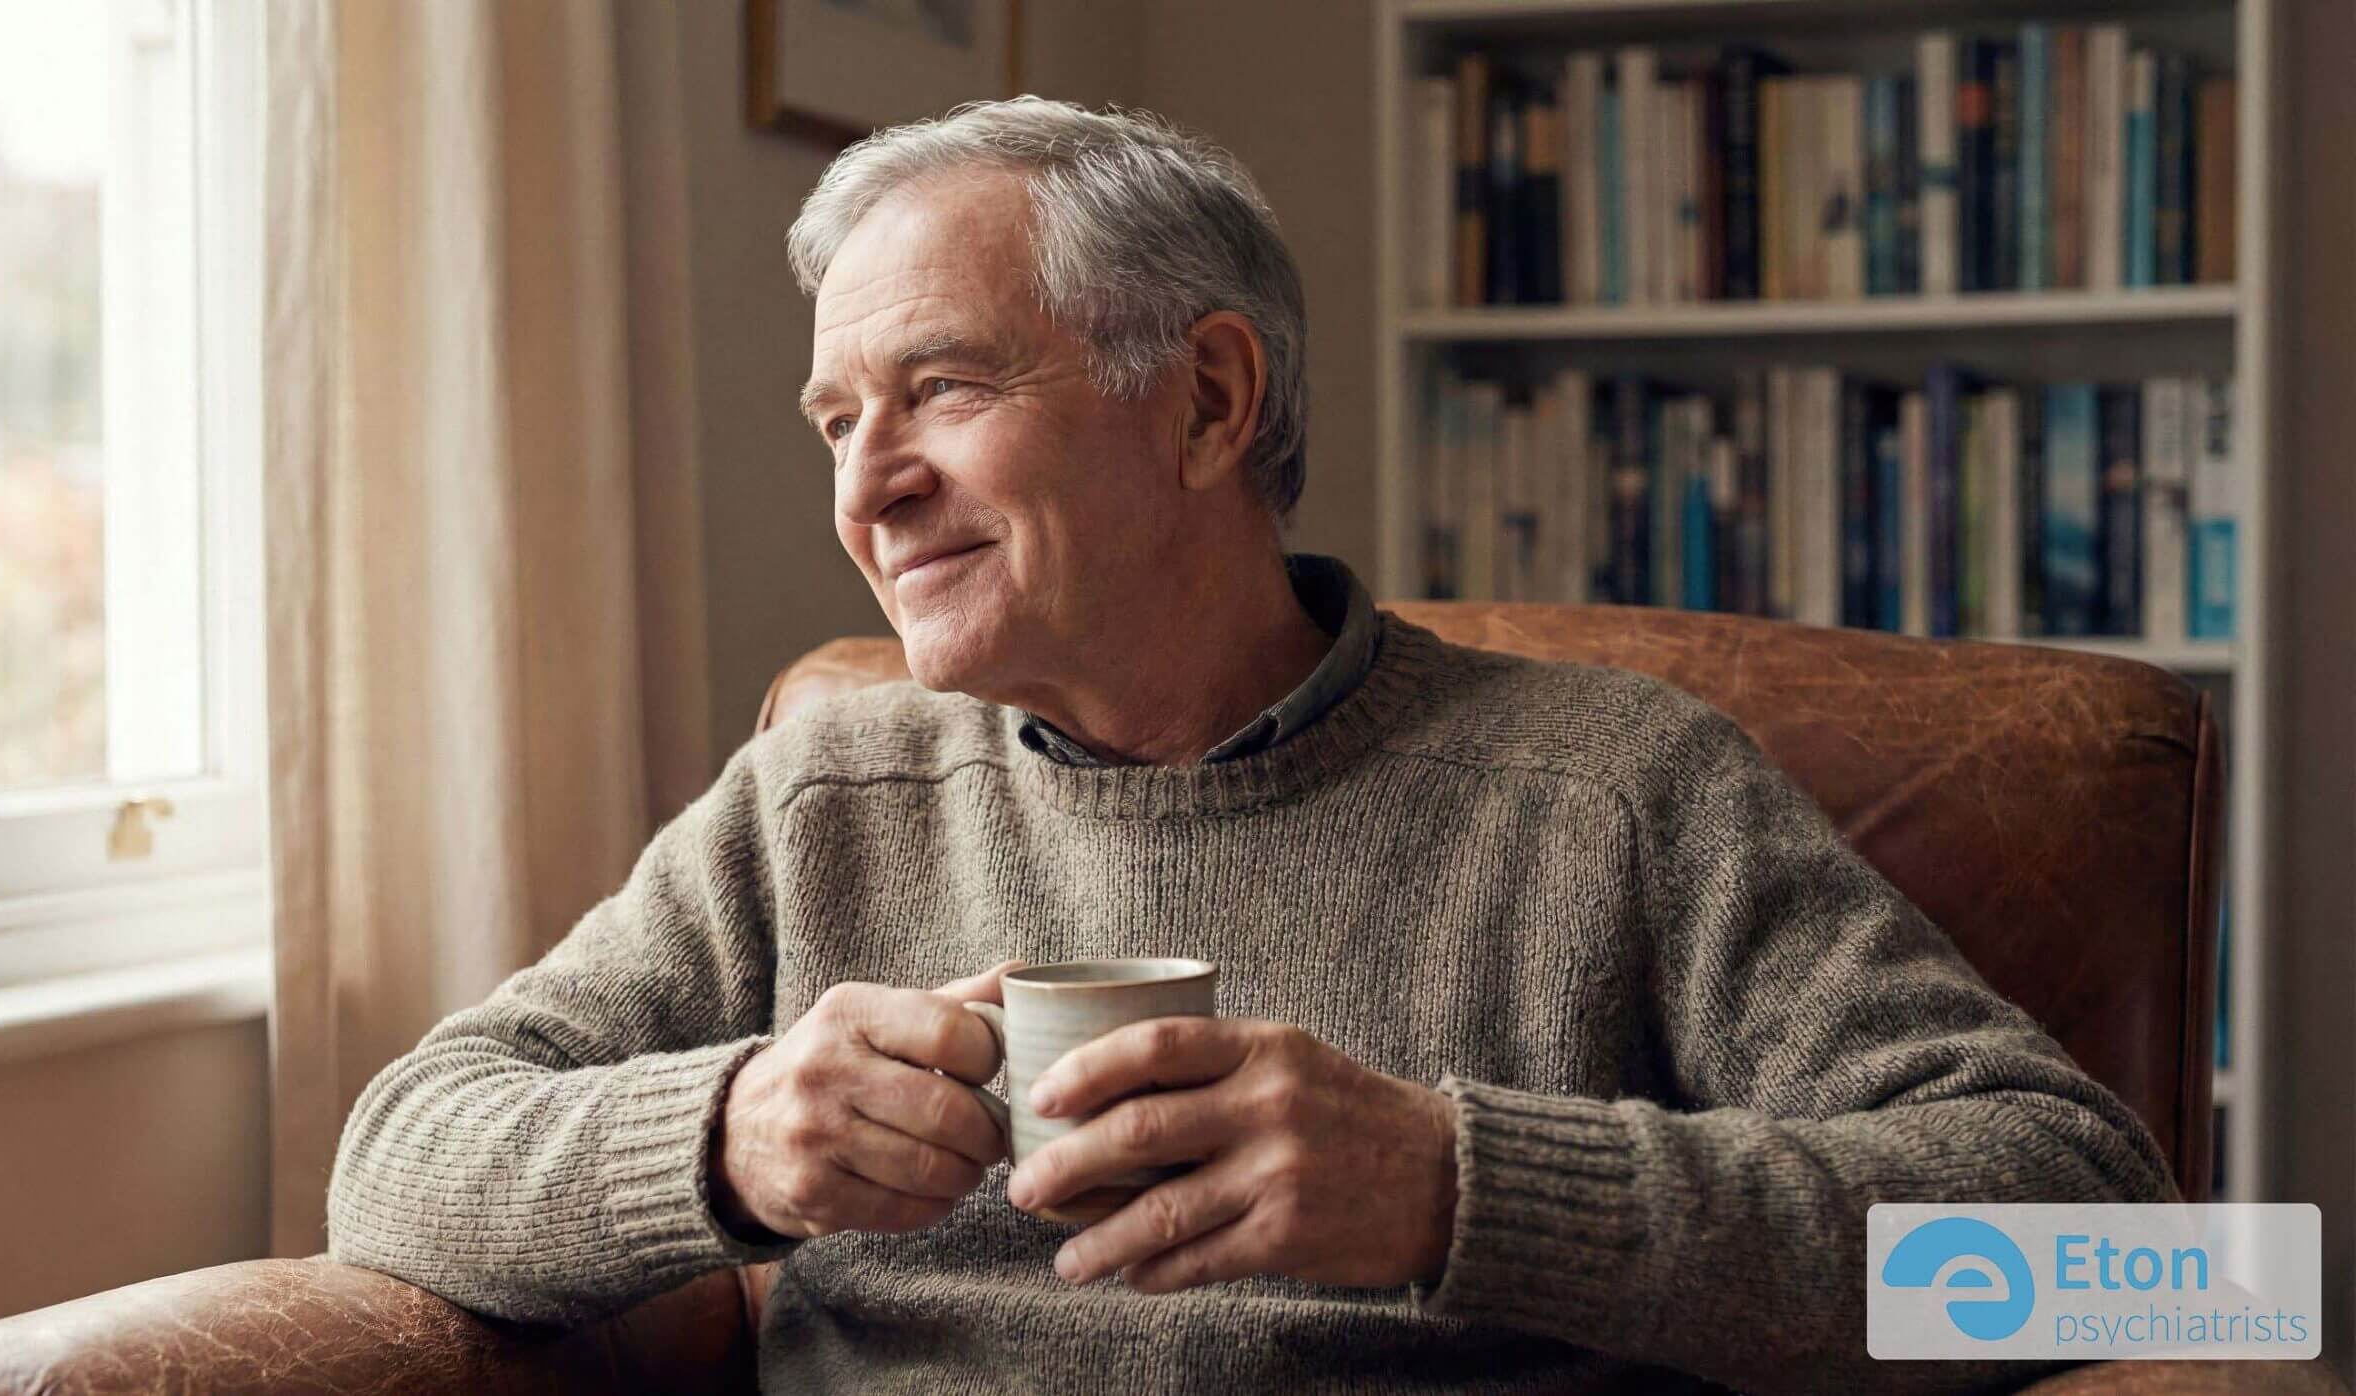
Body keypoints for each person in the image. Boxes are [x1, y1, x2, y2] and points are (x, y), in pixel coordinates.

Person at [325, 96, 2178, 1394]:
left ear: (1208, 401)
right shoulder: (821, 800)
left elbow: (2124, 1253)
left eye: (945, 389)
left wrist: (1465, 1190)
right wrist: (722, 1132)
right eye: (836, 420)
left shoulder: (1616, 794)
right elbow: (395, 1164)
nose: (868, 490)